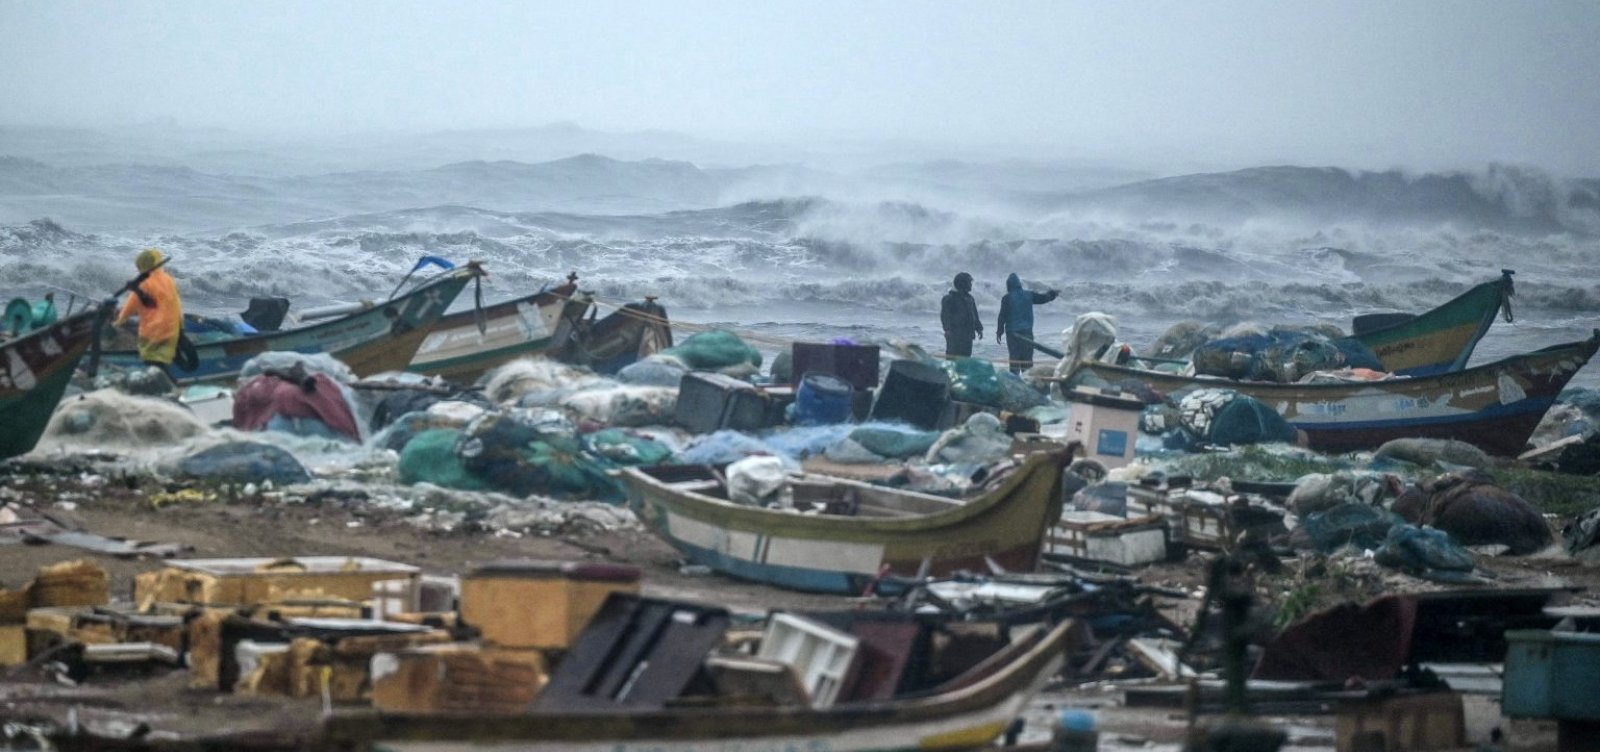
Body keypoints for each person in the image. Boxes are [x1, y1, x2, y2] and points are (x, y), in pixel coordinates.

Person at [113, 248, 183, 369]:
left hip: (154, 330)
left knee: (154, 362)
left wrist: (120, 321)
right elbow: (172, 302)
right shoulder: (168, 279)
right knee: (163, 360)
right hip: (172, 325)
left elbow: (137, 305)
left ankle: (161, 382)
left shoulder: (144, 283)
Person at [996, 272, 1059, 374]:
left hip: (1013, 335)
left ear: (1008, 285)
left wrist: (999, 331)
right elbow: (1043, 298)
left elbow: (1002, 316)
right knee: (1027, 362)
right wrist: (1052, 294)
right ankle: (1029, 384)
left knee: (1014, 362)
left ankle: (1014, 384)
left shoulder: (1006, 298)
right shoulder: (1028, 295)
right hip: (1027, 333)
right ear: (1019, 284)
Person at [939, 271, 983, 357]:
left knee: (966, 359)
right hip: (955, 335)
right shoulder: (949, 298)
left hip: (968, 335)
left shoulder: (970, 298)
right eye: (969, 282)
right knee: (953, 358)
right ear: (963, 284)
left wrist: (979, 329)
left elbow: (975, 315)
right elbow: (945, 315)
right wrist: (947, 329)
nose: (971, 285)